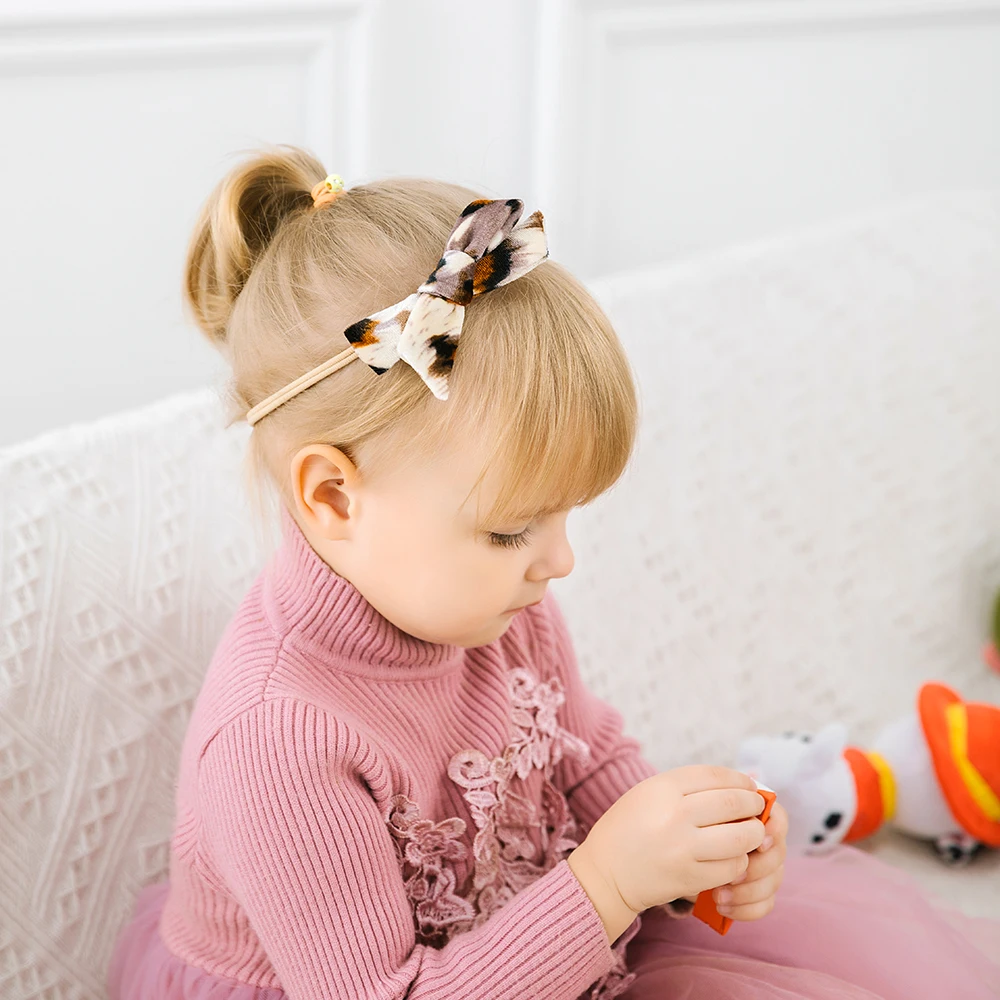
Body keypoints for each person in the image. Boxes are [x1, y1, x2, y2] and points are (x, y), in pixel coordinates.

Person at [107, 146, 1000, 1000]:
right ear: (335, 499)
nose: (559, 560)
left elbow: (584, 757)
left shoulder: (491, 602)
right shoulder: (281, 741)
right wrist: (607, 884)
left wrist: (693, 860)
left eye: (563, 517)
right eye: (511, 529)